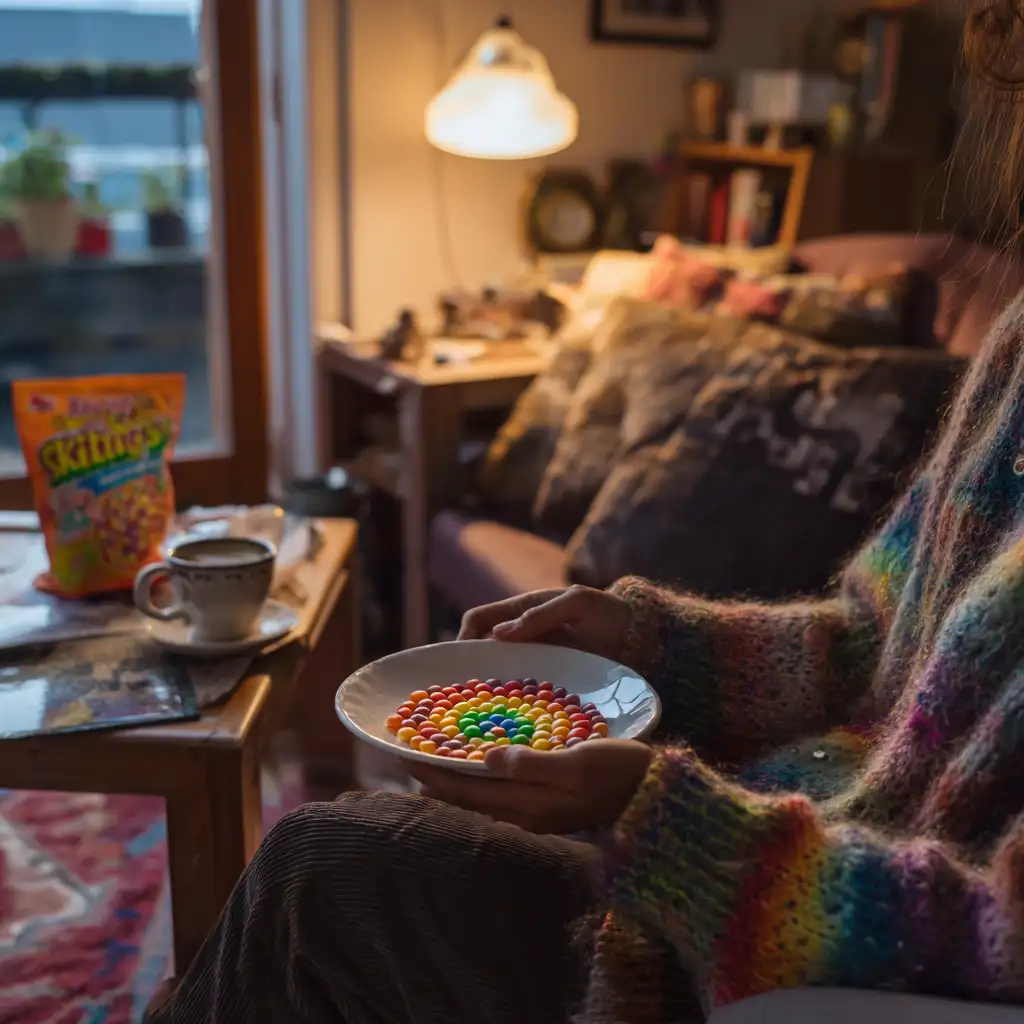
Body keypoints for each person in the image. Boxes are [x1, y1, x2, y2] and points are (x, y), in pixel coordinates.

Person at [148, 5, 1024, 1022]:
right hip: (759, 848)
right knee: (314, 876)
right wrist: (651, 638)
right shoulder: (1010, 353)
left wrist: (661, 818)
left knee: (314, 871)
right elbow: (874, 644)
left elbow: (995, 932)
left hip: (766, 953)